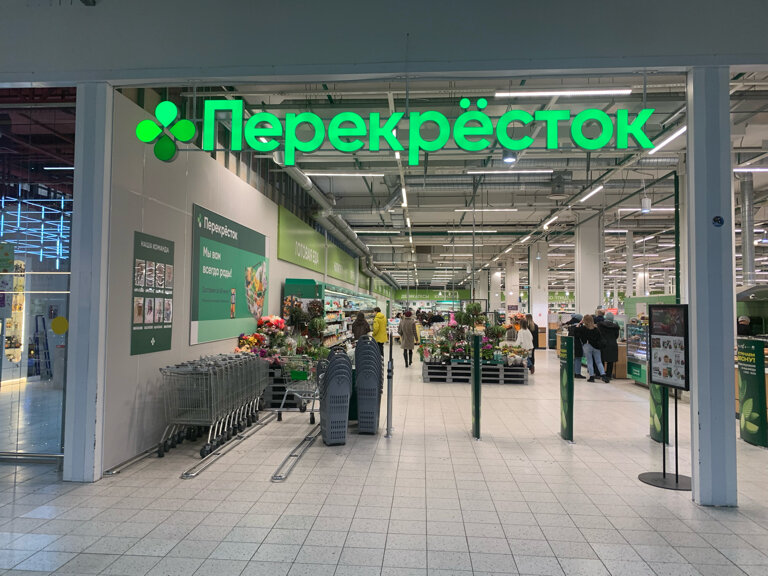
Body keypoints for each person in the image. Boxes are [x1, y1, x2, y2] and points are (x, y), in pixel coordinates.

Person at [575, 314, 609, 383]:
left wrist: (579, 323)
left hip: (587, 346)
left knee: (589, 361)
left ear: (584, 320)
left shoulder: (583, 329)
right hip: (596, 347)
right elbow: (600, 338)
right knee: (599, 361)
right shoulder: (596, 329)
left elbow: (576, 332)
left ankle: (591, 377)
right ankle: (603, 375)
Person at [598, 311, 620, 381]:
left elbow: (599, 335)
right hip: (612, 344)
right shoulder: (616, 327)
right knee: (611, 361)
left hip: (603, 344)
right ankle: (609, 375)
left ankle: (601, 374)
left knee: (601, 360)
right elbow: (616, 336)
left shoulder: (600, 325)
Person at [564, 314, 585, 378]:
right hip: (578, 344)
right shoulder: (579, 327)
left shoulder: (571, 327)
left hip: (571, 344)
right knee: (578, 359)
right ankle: (577, 373)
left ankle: (572, 372)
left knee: (572, 359)